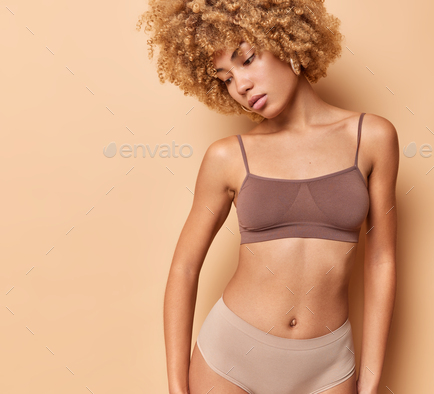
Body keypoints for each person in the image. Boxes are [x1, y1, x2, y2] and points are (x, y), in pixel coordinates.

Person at [136, 1, 398, 393]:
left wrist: (372, 378)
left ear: (286, 40)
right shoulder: (227, 157)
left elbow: (381, 259)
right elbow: (184, 269)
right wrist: (176, 386)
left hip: (327, 365)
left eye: (247, 59)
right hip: (229, 360)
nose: (240, 86)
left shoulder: (372, 138)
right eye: (224, 77)